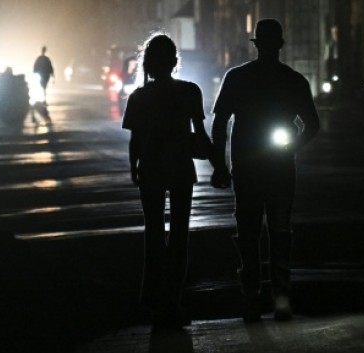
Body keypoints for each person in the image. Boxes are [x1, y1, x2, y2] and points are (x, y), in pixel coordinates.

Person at [210, 18, 320, 323]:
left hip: (248, 167)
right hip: (278, 167)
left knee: (250, 232)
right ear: (276, 45)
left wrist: (220, 164)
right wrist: (292, 145)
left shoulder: (238, 78)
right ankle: (278, 295)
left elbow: (221, 123)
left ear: (257, 44)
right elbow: (310, 124)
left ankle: (252, 295)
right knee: (278, 230)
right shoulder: (293, 80)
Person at [121, 33, 210, 330]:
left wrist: (134, 167)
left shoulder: (139, 97)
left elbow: (135, 139)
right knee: (180, 235)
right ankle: (174, 300)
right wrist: (220, 164)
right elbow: (201, 133)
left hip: (151, 170)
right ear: (174, 62)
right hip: (181, 168)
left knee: (154, 234)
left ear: (147, 63)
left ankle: (153, 299)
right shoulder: (189, 92)